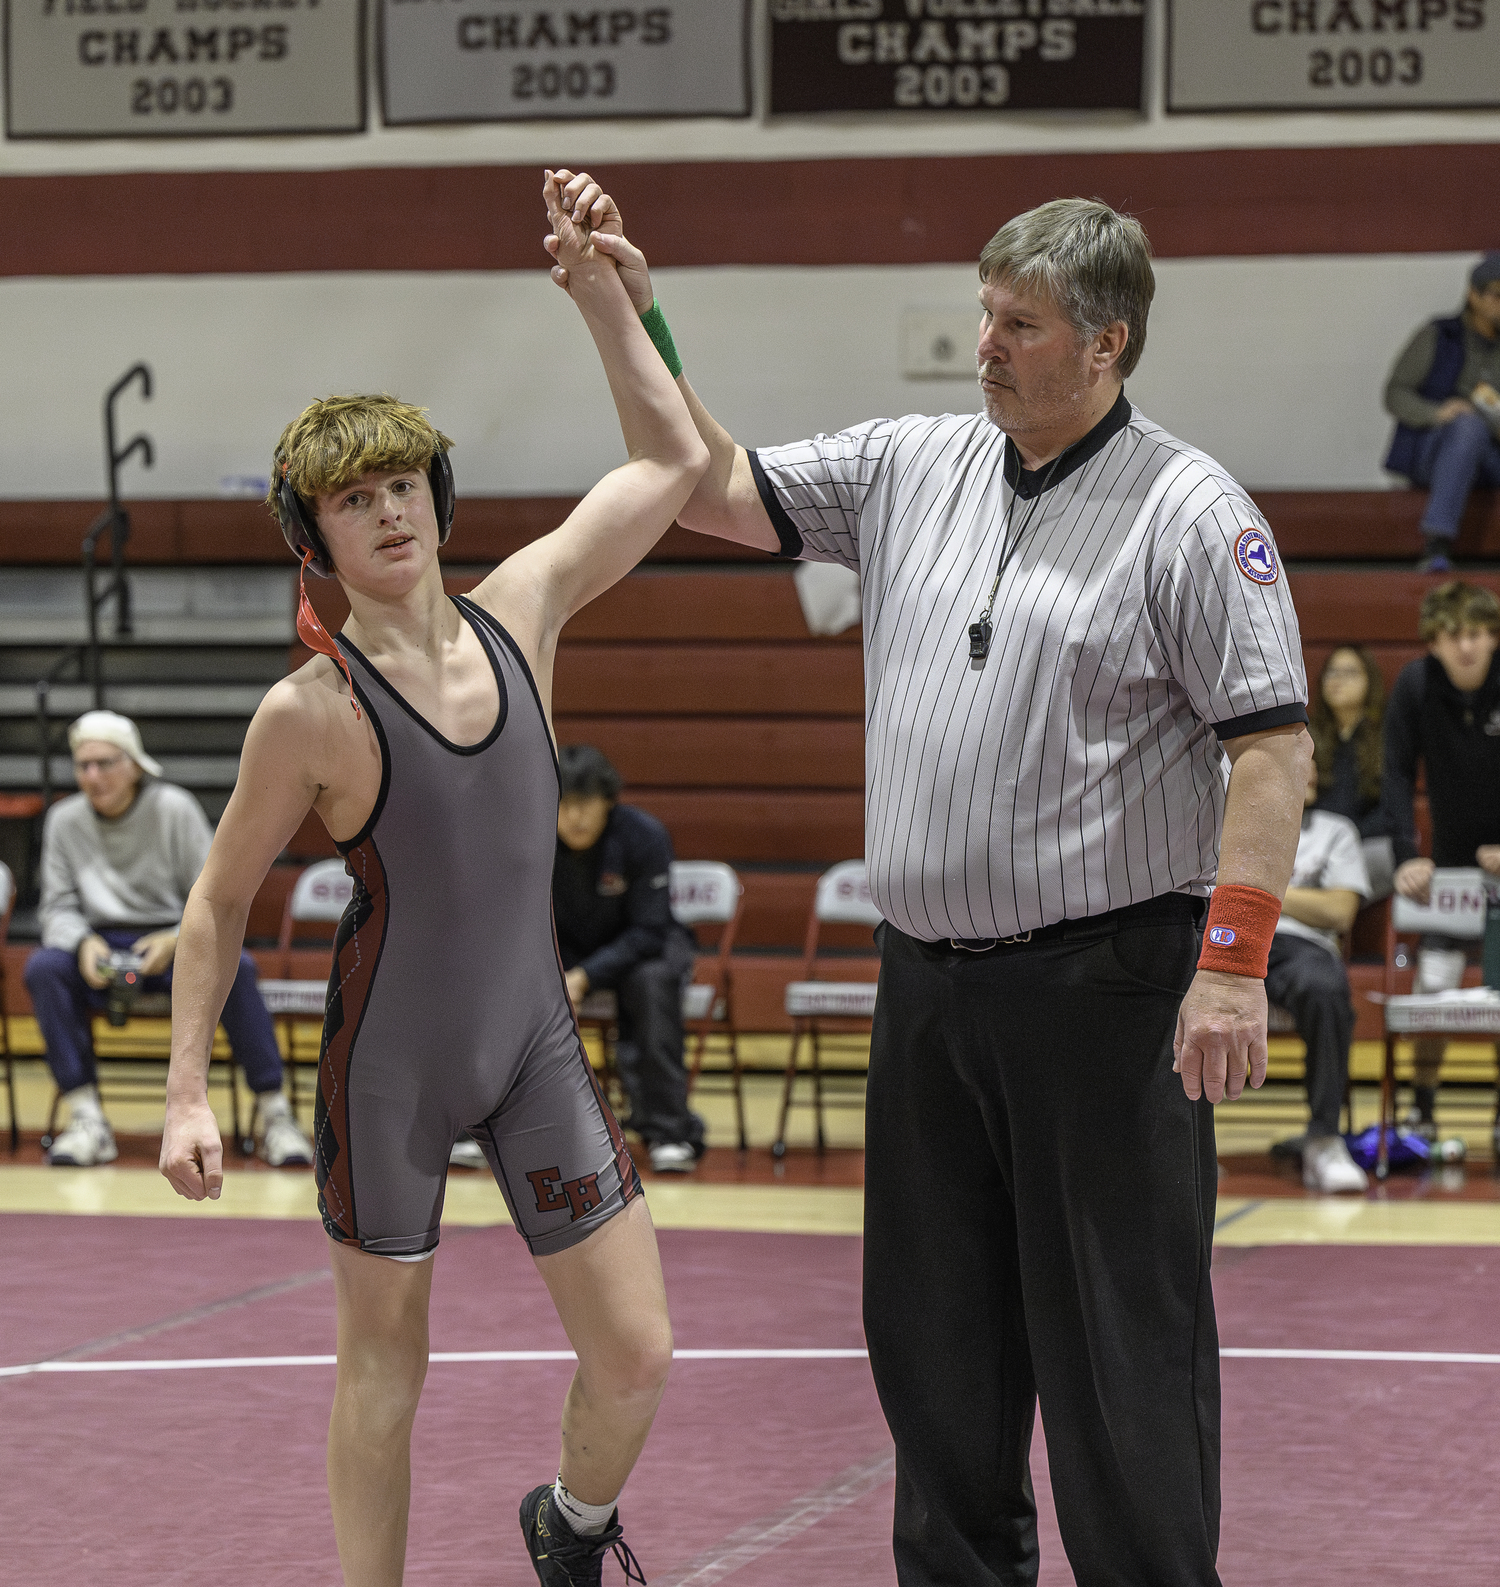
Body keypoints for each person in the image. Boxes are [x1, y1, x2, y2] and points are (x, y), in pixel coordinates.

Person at [549, 175, 1311, 1585]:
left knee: (1117, 1363)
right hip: (930, 989)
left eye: (1020, 324)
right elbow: (704, 478)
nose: (986, 345)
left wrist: (1232, 959)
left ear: (1110, 344)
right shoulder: (911, 464)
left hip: (1109, 990)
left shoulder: (1194, 513)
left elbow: (1269, 746)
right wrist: (621, 304)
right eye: (984, 315)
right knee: (936, 1348)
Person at [158, 172, 708, 1587]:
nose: (390, 511)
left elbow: (671, 467)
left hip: (527, 1037)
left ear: (437, 495)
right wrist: (182, 1092)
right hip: (387, 1059)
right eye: (355, 498)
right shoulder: (310, 710)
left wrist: (610, 299)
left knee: (639, 1348)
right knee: (385, 1363)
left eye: (404, 483)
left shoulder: (522, 609)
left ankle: (572, 1523)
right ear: (315, 537)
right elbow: (216, 903)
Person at [25, 710, 309, 1169]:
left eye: (105, 763)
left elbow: (215, 895)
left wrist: (177, 940)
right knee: (43, 969)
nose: (93, 776)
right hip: (99, 941)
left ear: (135, 764)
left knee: (239, 968)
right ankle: (86, 1119)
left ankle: (276, 1114)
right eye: (83, 766)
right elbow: (56, 907)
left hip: (174, 938)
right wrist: (81, 944)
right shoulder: (63, 820)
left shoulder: (173, 808)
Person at [1384, 580, 1500, 1148]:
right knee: (1434, 986)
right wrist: (1407, 854)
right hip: (1449, 861)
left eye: (1477, 634)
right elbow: (1397, 773)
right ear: (1433, 642)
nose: (1467, 648)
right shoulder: (1415, 684)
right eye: (1454, 637)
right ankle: (1423, 1110)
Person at [553, 744, 706, 1173]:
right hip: (567, 949)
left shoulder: (643, 835)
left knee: (652, 983)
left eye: (586, 804)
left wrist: (585, 976)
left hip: (643, 948)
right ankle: (477, 1129)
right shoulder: (531, 835)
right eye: (564, 805)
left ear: (608, 801)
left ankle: (669, 1132)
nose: (576, 818)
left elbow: (650, 930)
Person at [1270, 763, 1372, 1194]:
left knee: (1326, 988)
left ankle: (1325, 1139)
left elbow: (1339, 912)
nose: (1306, 767)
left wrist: (1264, 890)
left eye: (1313, 764)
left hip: (1303, 949)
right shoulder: (1225, 819)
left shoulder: (1335, 831)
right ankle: (1186, 1144)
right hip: (1232, 937)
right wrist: (1305, 899)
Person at [1384, 252, 1500, 572]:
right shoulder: (1439, 335)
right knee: (1467, 427)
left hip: (1491, 455)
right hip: (1435, 451)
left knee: (1475, 429)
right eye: (1496, 294)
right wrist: (1438, 412)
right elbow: (1395, 393)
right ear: (1472, 295)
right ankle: (1437, 540)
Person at [1309, 645, 1394, 897]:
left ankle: (1321, 916)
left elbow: (1391, 808)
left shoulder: (1386, 736)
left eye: (1349, 672)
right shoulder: (1308, 736)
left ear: (1369, 681)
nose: (1337, 680)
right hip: (1315, 844)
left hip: (1364, 842)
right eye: (1331, 672)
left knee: (1382, 856)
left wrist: (1345, 841)